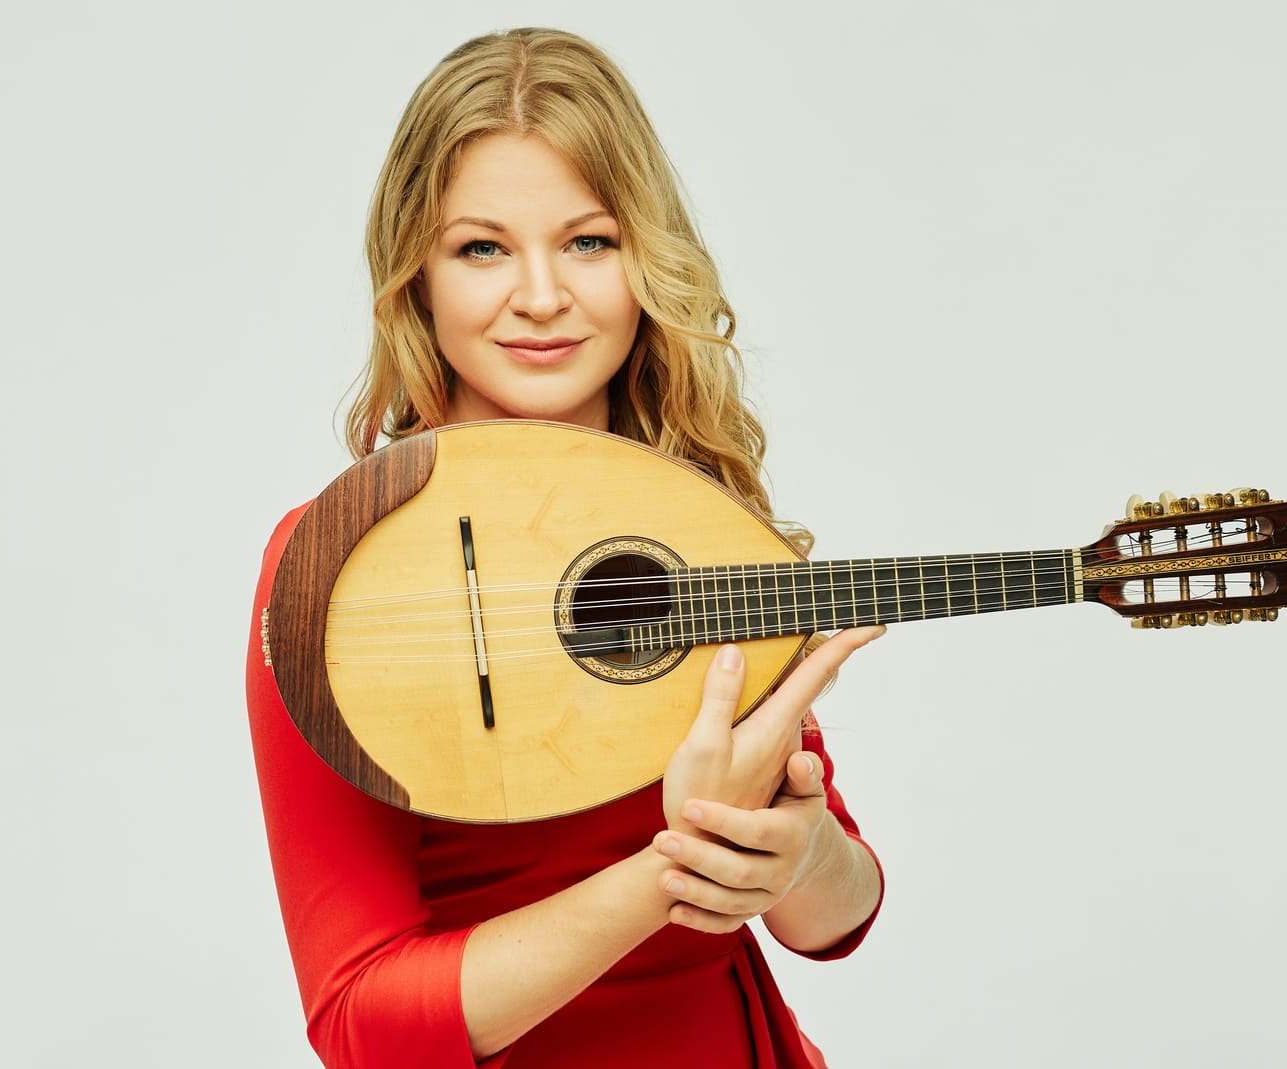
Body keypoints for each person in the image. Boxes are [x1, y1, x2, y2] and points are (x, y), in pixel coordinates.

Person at [244, 27, 885, 1069]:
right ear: (417, 277)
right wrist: (675, 869)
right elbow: (361, 1024)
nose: (541, 296)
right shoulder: (338, 562)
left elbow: (831, 919)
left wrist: (801, 849)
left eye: (588, 241)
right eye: (481, 248)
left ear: (647, 259)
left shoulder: (695, 517)